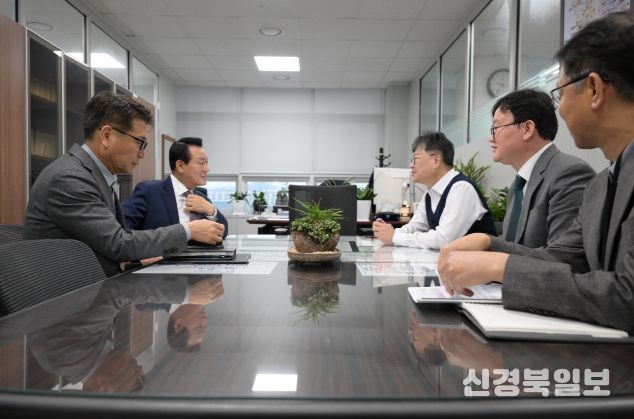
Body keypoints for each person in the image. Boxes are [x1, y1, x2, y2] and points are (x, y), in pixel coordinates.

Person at [438, 11, 634, 333]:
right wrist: (490, 245)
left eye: (561, 93)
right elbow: (566, 257)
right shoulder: (601, 185)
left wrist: (501, 266)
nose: (561, 109)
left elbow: (627, 297)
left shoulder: (572, 174)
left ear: (594, 89)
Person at [23, 92, 224, 277]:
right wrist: (188, 230)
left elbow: (105, 244)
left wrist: (133, 261)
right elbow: (119, 243)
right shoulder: (70, 178)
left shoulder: (93, 176)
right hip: (70, 297)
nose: (142, 154)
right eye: (139, 142)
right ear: (107, 135)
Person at [490, 89, 594, 247]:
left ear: (527, 129)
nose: (491, 138)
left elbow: (563, 253)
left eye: (496, 128)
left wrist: (488, 243)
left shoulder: (568, 173)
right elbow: (512, 243)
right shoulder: (517, 187)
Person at [372, 131, 496, 249]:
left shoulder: (462, 188)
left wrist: (395, 237)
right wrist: (389, 233)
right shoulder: (430, 193)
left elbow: (444, 239)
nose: (411, 165)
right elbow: (415, 226)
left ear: (436, 160)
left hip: (481, 262)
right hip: (453, 260)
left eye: (415, 159)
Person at [122, 137, 228, 240]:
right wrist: (186, 232)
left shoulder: (202, 198)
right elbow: (122, 232)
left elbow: (223, 232)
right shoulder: (149, 191)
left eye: (206, 163)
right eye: (201, 163)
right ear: (180, 166)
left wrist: (211, 210)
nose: (207, 169)